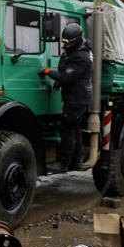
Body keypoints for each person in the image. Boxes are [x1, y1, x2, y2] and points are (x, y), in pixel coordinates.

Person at [39, 23, 93, 172]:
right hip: (75, 98)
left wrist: (48, 72)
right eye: (63, 42)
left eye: (67, 43)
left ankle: (63, 164)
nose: (65, 46)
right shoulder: (74, 51)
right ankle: (76, 163)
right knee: (75, 131)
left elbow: (67, 77)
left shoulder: (81, 57)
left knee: (68, 131)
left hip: (76, 100)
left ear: (76, 41)